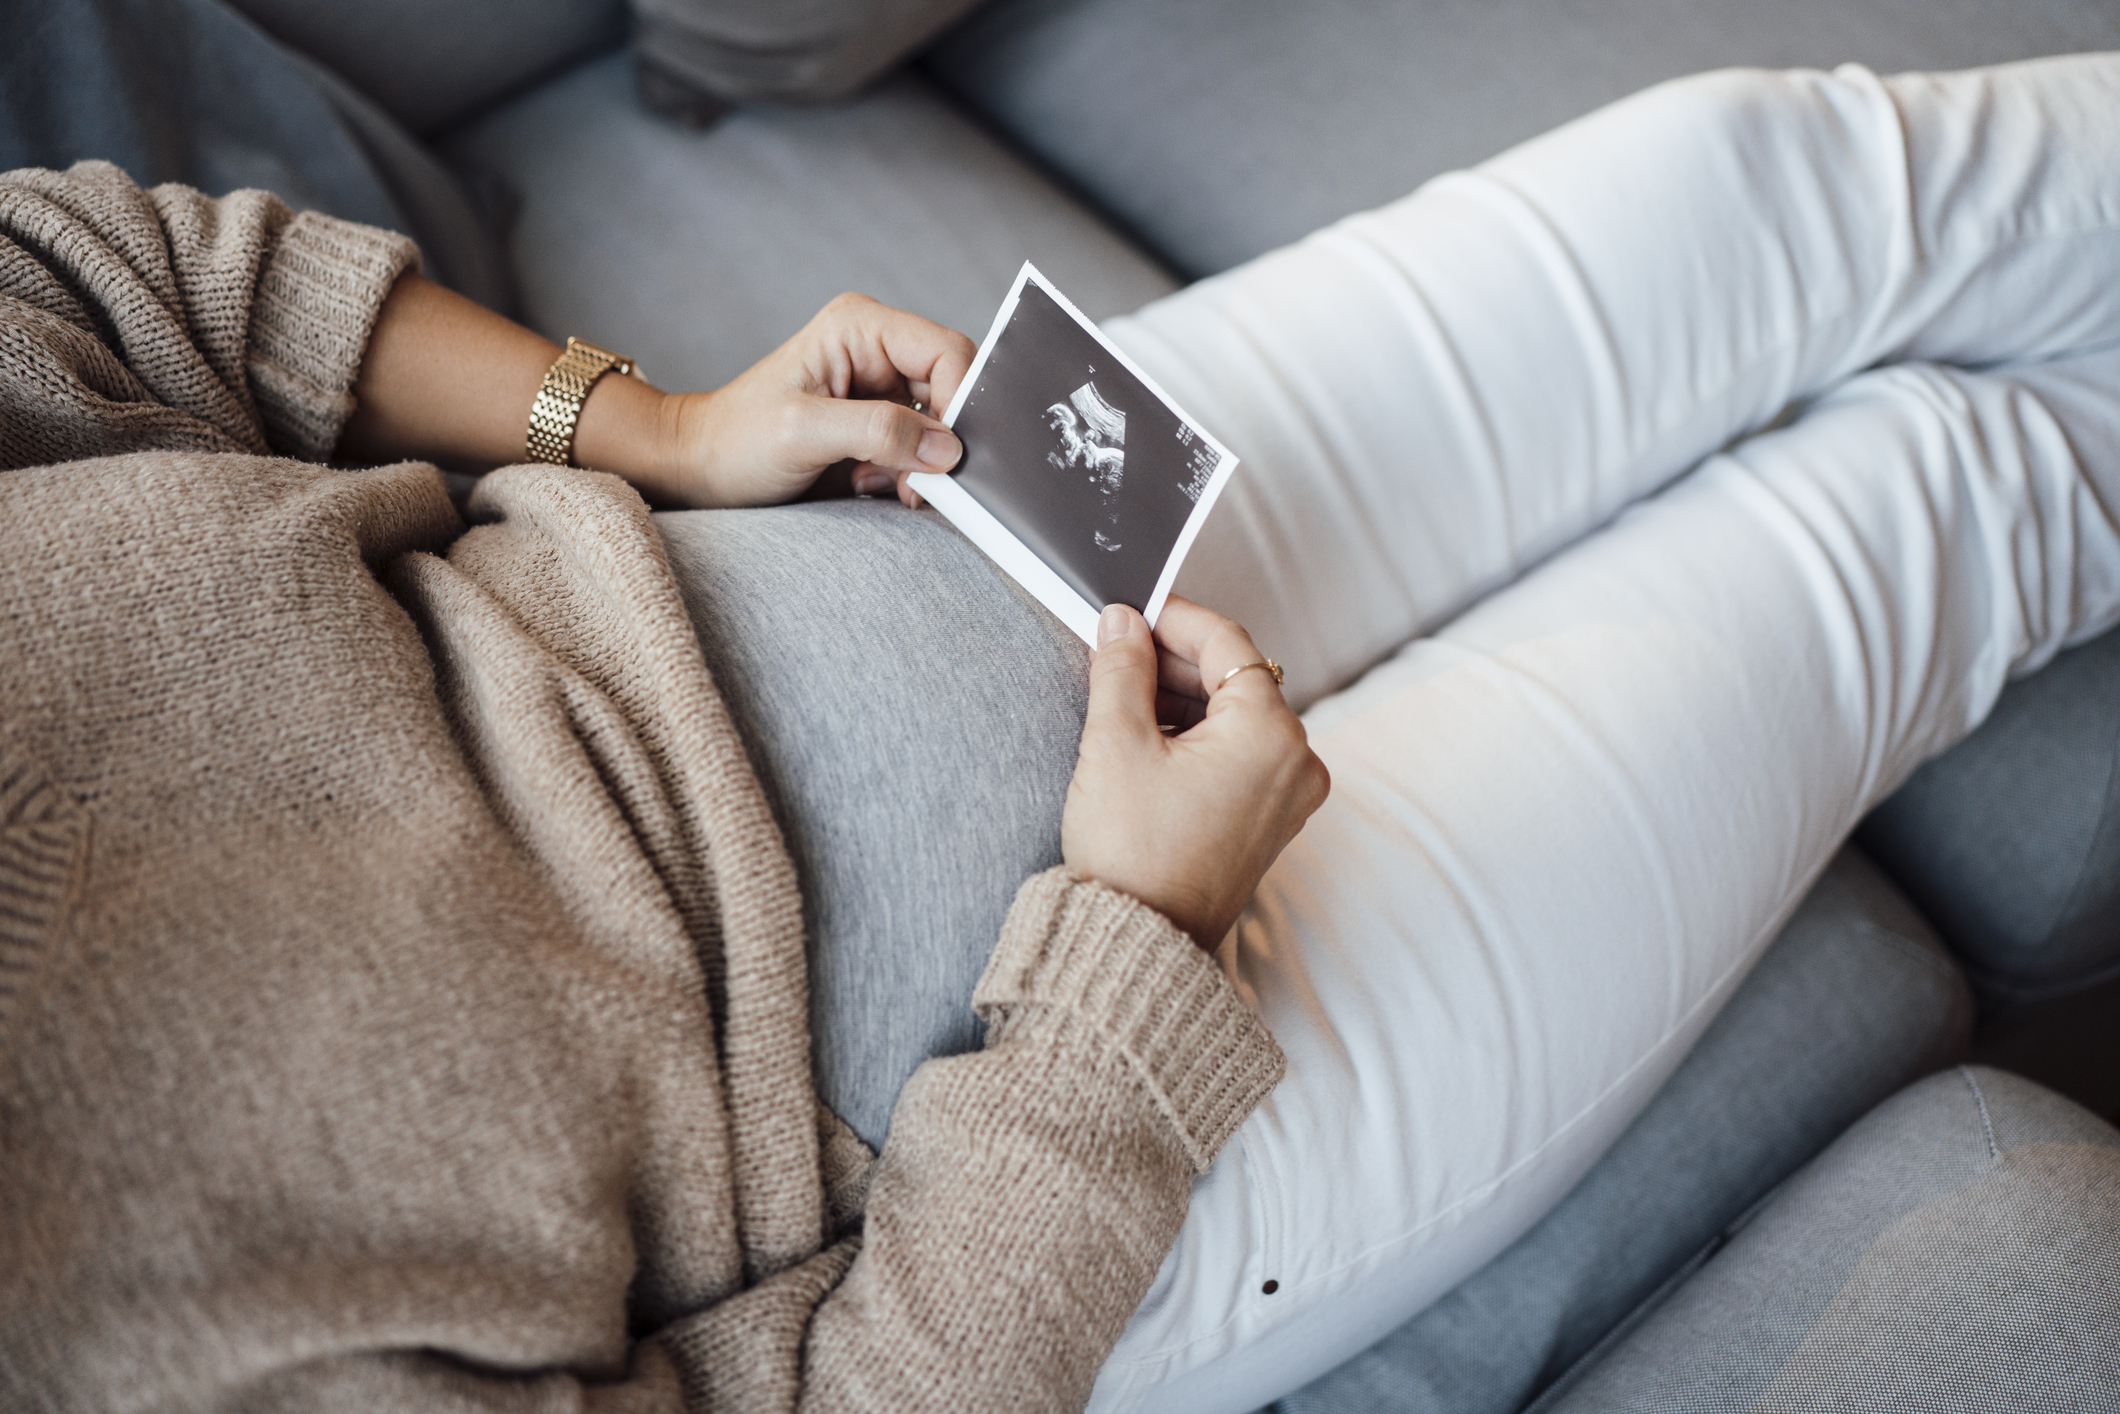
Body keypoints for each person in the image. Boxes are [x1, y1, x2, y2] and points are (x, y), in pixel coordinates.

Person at [4, 49, 2118, 1414]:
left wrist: (645, 421)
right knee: (1956, 504)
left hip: (903, 550)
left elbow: (108, 272)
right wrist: (1136, 934)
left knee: (1780, 177)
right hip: (1075, 1118)